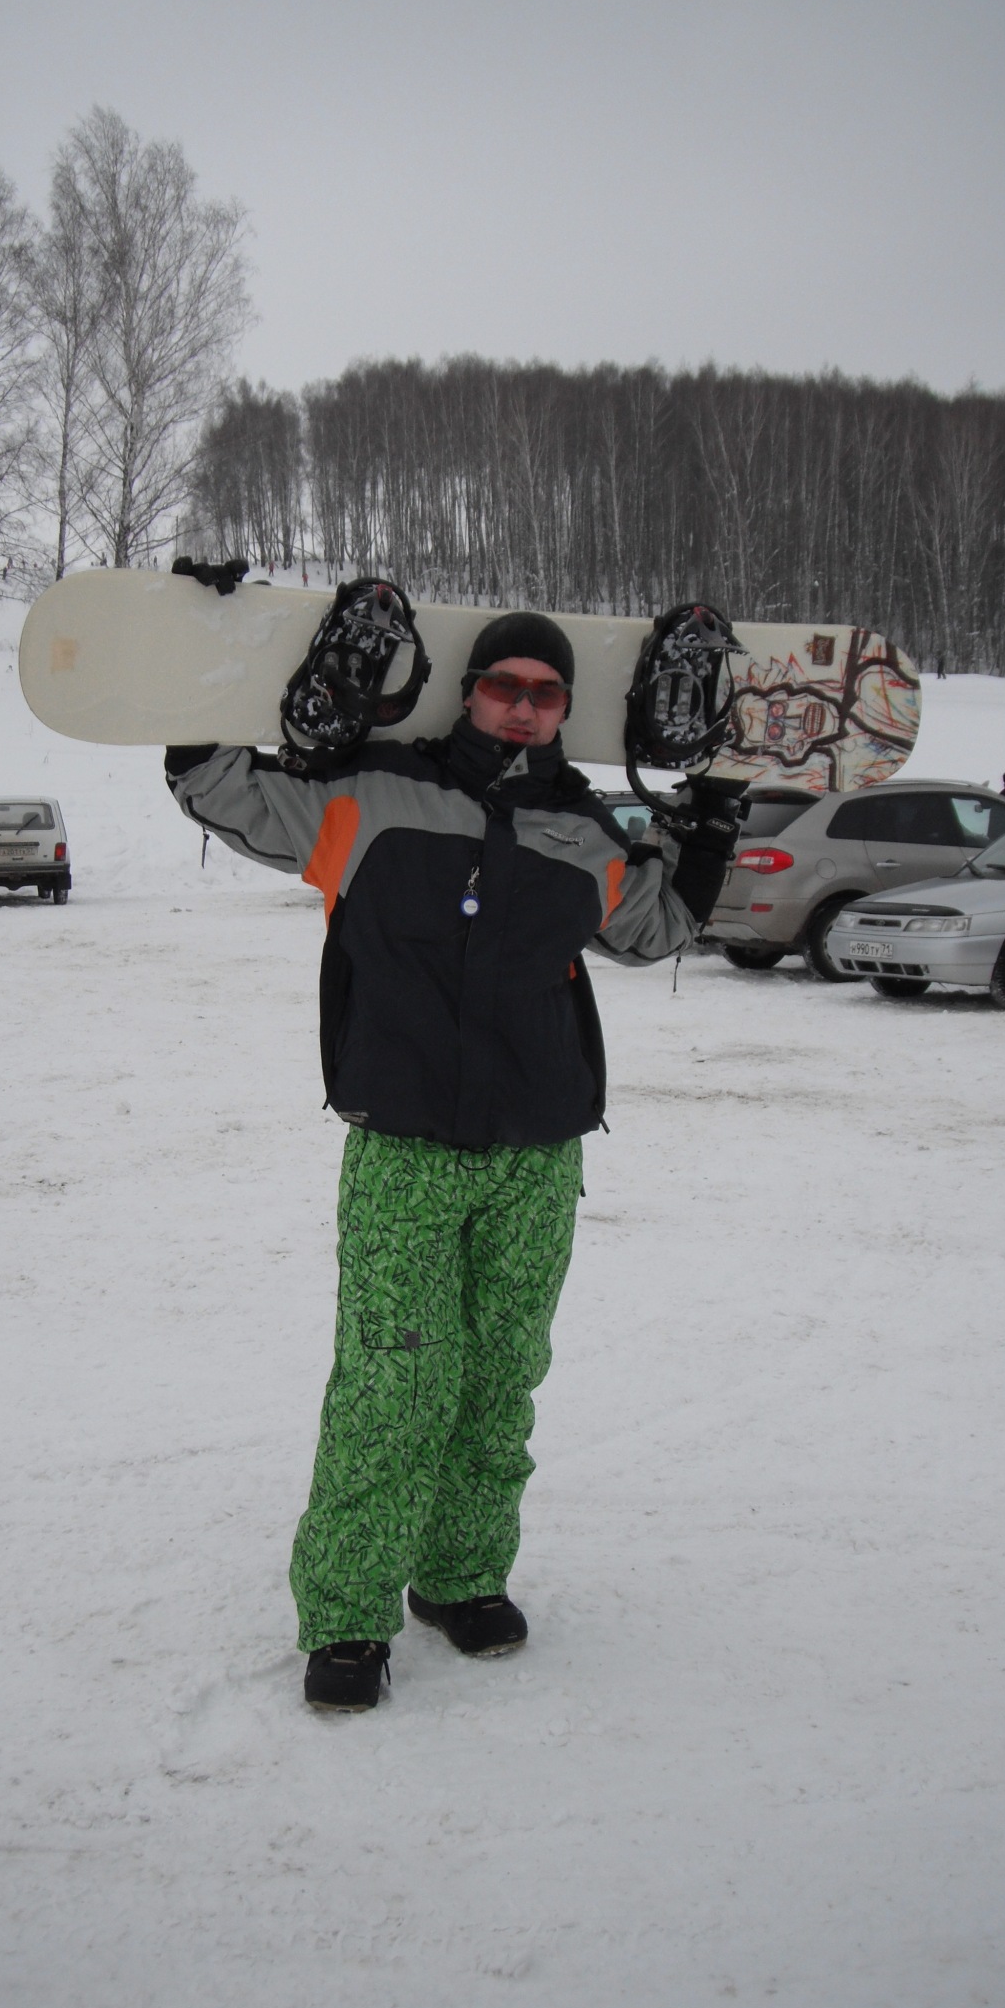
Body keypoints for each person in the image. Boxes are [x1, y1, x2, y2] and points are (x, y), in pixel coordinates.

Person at [165, 605, 737, 1710]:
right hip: (404, 1147)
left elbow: (656, 929)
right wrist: (216, 657)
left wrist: (709, 822)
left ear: (564, 710)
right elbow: (219, 787)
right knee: (393, 1380)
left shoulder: (581, 828)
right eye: (504, 685)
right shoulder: (372, 797)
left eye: (546, 693)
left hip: (539, 1151)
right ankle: (348, 1616)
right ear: (469, 690)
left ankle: (462, 1576)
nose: (523, 706)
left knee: (500, 1374)